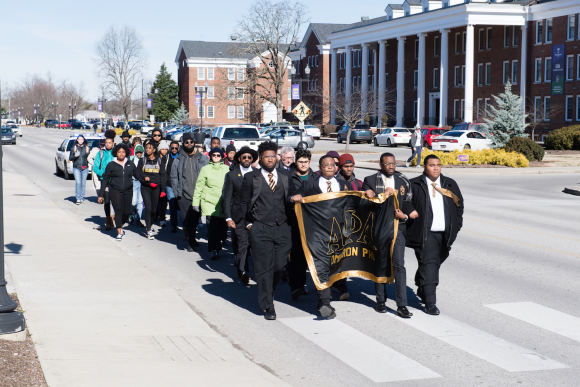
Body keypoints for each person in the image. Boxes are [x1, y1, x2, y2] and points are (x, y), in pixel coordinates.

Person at [240, 141, 296, 320]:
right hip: (260, 227)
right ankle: (267, 305)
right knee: (264, 269)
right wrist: (249, 224)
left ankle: (268, 290)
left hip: (282, 227)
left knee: (279, 266)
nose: (270, 159)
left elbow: (293, 198)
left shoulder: (285, 176)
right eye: (267, 157)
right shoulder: (251, 178)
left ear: (277, 158)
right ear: (260, 158)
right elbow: (242, 204)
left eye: (273, 156)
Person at [291, 155, 348, 320]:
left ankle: (327, 296)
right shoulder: (309, 184)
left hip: (339, 234)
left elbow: (354, 202)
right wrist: (294, 198)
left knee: (334, 266)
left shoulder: (344, 184)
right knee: (321, 266)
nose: (330, 167)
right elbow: (293, 196)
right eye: (326, 165)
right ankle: (325, 302)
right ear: (320, 167)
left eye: (332, 165)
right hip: (317, 234)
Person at [406, 155, 464, 315]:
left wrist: (456, 226)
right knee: (430, 264)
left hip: (445, 234)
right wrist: (410, 211)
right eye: (432, 165)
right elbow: (405, 202)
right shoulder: (415, 184)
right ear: (425, 167)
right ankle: (430, 302)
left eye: (438, 165)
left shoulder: (449, 184)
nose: (436, 168)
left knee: (433, 263)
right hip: (425, 234)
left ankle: (422, 284)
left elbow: (459, 205)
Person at [363, 152, 419, 318]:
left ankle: (402, 305)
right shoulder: (370, 180)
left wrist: (408, 214)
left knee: (399, 265)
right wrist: (372, 195)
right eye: (388, 164)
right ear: (381, 165)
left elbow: (407, 202)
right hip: (379, 228)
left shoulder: (403, 180)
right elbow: (363, 203)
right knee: (380, 263)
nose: (392, 166)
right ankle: (380, 300)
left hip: (398, 227)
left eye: (394, 163)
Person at [223, 146, 258, 284]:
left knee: (254, 245)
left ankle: (255, 270)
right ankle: (244, 271)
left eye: (249, 157)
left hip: (256, 216)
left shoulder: (257, 173)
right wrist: (228, 217)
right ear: (239, 159)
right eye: (244, 157)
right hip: (238, 216)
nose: (247, 159)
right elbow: (227, 197)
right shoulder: (232, 175)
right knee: (243, 243)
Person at [170, 132, 209, 251]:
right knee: (187, 219)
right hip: (184, 195)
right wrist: (177, 193)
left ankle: (192, 239)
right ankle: (191, 242)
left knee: (195, 219)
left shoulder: (203, 158)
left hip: (198, 195)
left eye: (191, 142)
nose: (189, 144)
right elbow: (173, 176)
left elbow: (208, 174)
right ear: (183, 144)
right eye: (186, 142)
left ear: (194, 143)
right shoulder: (179, 159)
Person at [287, 149, 318, 300]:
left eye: (306, 162)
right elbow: (283, 196)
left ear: (310, 162)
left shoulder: (315, 177)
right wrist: (292, 198)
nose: (303, 164)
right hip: (293, 221)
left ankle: (302, 284)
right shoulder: (288, 176)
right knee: (296, 256)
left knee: (307, 256)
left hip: (312, 222)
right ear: (295, 161)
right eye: (300, 162)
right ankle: (295, 286)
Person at [192, 147, 230, 259]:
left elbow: (231, 187)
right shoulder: (205, 169)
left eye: (219, 155)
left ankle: (219, 242)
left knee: (222, 228)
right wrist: (196, 202)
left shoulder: (227, 169)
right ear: (211, 156)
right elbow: (199, 186)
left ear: (222, 157)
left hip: (223, 202)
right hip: (209, 202)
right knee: (212, 227)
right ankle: (214, 249)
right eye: (214, 155)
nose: (216, 157)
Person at [98, 143, 137, 241]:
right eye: (119, 152)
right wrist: (101, 195)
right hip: (115, 190)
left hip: (128, 191)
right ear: (116, 153)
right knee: (118, 210)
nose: (121, 154)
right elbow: (105, 180)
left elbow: (138, 175)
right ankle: (119, 232)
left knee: (126, 212)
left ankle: (120, 224)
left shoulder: (130, 164)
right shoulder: (111, 165)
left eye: (123, 152)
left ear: (126, 153)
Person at [136, 141, 167, 240]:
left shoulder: (159, 160)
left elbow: (163, 175)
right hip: (145, 188)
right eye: (146, 148)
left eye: (150, 148)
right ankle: (149, 230)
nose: (147, 149)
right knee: (148, 208)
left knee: (154, 210)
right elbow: (137, 174)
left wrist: (163, 190)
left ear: (154, 150)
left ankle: (150, 224)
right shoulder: (143, 160)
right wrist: (145, 179)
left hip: (156, 188)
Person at [93, 130, 116, 229]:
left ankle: (113, 218)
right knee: (107, 201)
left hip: (115, 181)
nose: (107, 144)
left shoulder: (116, 153)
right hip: (105, 181)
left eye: (109, 142)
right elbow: (95, 167)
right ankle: (108, 221)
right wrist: (102, 173)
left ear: (113, 143)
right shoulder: (100, 153)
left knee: (115, 201)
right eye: (106, 143)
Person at [69, 135, 91, 205]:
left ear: (84, 140)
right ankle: (78, 198)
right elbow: (70, 158)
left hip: (85, 168)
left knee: (83, 183)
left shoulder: (87, 148)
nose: (81, 140)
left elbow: (89, 158)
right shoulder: (74, 148)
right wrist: (75, 156)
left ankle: (82, 198)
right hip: (76, 167)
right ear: (77, 140)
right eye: (79, 139)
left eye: (82, 139)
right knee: (78, 183)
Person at [164, 141, 180, 233]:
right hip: (169, 185)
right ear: (170, 148)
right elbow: (164, 172)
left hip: (179, 185)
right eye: (172, 148)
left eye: (176, 148)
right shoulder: (166, 158)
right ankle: (174, 224)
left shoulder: (181, 158)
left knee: (180, 205)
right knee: (172, 204)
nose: (174, 149)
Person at [130, 145, 145, 227]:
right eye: (138, 152)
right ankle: (131, 214)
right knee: (133, 201)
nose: (139, 154)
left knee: (140, 202)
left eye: (141, 152)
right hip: (133, 182)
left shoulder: (144, 160)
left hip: (141, 182)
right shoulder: (131, 159)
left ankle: (138, 219)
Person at [156, 141, 170, 227]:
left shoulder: (168, 158)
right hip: (157, 182)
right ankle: (158, 215)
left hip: (165, 182)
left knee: (164, 201)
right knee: (158, 201)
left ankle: (162, 218)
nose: (164, 151)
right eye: (163, 149)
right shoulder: (157, 158)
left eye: (166, 149)